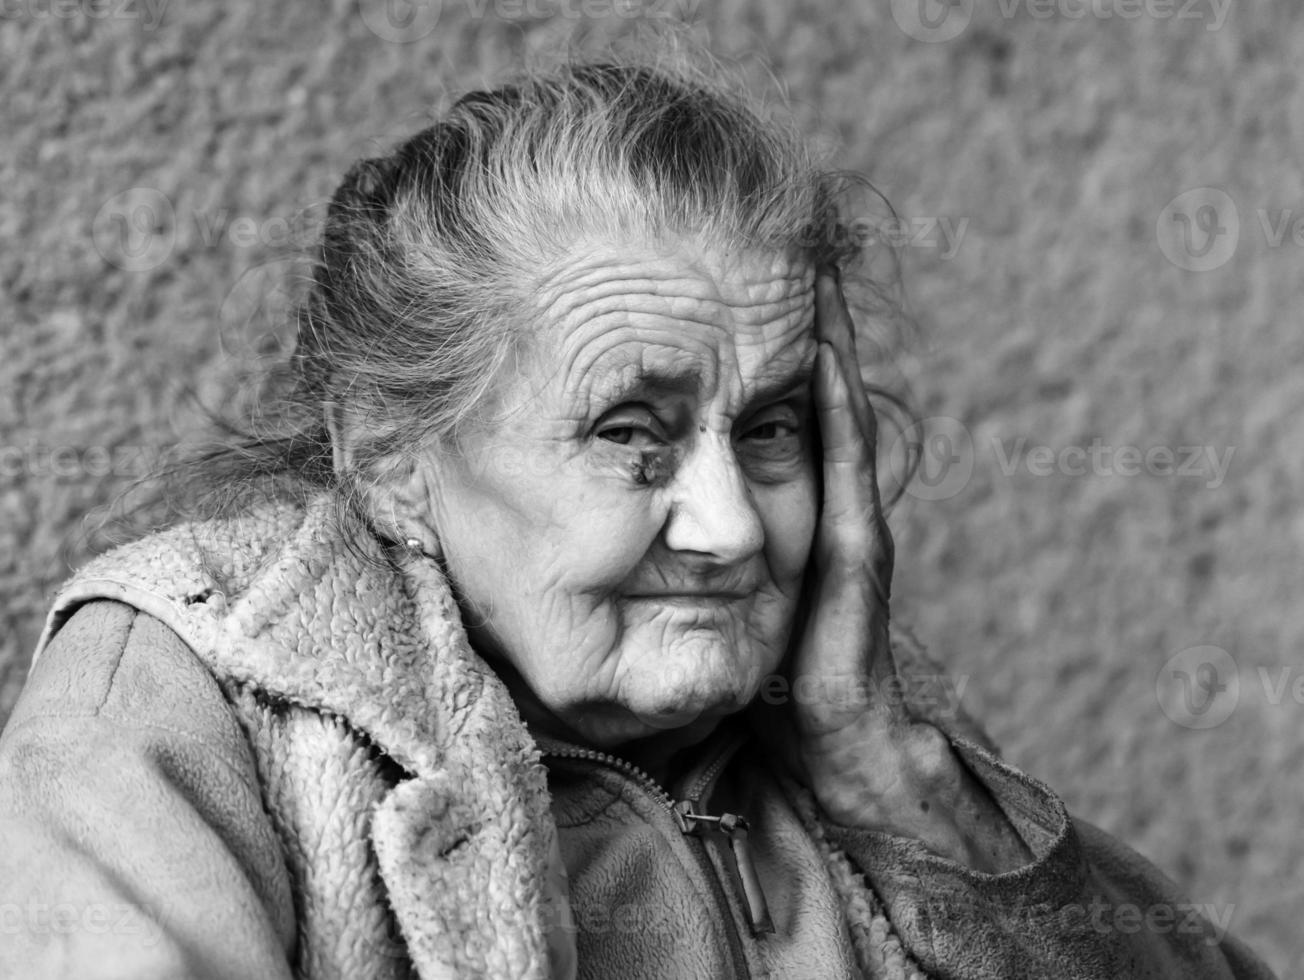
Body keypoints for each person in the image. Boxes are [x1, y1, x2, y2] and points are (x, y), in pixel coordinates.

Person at [0, 58, 1276, 980]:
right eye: (629, 432)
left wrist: (892, 772)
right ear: (391, 460)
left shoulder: (859, 723)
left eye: (770, 426)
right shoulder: (193, 692)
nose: (727, 527)